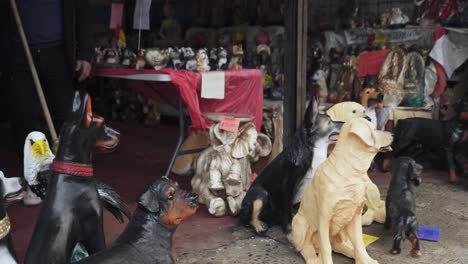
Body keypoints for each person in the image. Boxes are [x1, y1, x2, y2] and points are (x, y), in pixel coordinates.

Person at [4, 0, 94, 205]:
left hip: (58, 53)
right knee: (23, 117)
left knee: (65, 118)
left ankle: (67, 177)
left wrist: (85, 54)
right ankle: (35, 180)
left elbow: (83, 13)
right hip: (20, 53)